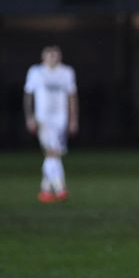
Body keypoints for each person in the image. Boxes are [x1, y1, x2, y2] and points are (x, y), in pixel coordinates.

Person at [23, 45, 79, 203]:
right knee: (53, 152)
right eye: (50, 55)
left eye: (55, 55)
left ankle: (45, 191)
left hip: (61, 119)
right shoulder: (36, 72)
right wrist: (29, 117)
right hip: (43, 118)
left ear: (60, 57)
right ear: (43, 57)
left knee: (53, 154)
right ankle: (60, 188)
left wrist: (74, 119)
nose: (53, 57)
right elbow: (28, 95)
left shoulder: (67, 72)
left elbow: (72, 96)